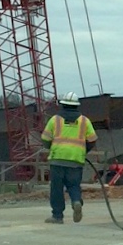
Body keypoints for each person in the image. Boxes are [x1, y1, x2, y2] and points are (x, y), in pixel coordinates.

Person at [41, 92, 97, 224]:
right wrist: (83, 150)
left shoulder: (55, 120)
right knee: (73, 185)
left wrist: (53, 147)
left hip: (58, 159)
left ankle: (57, 216)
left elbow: (45, 138)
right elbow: (92, 139)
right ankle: (76, 201)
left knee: (57, 188)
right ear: (77, 106)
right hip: (76, 160)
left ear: (63, 105)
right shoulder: (85, 121)